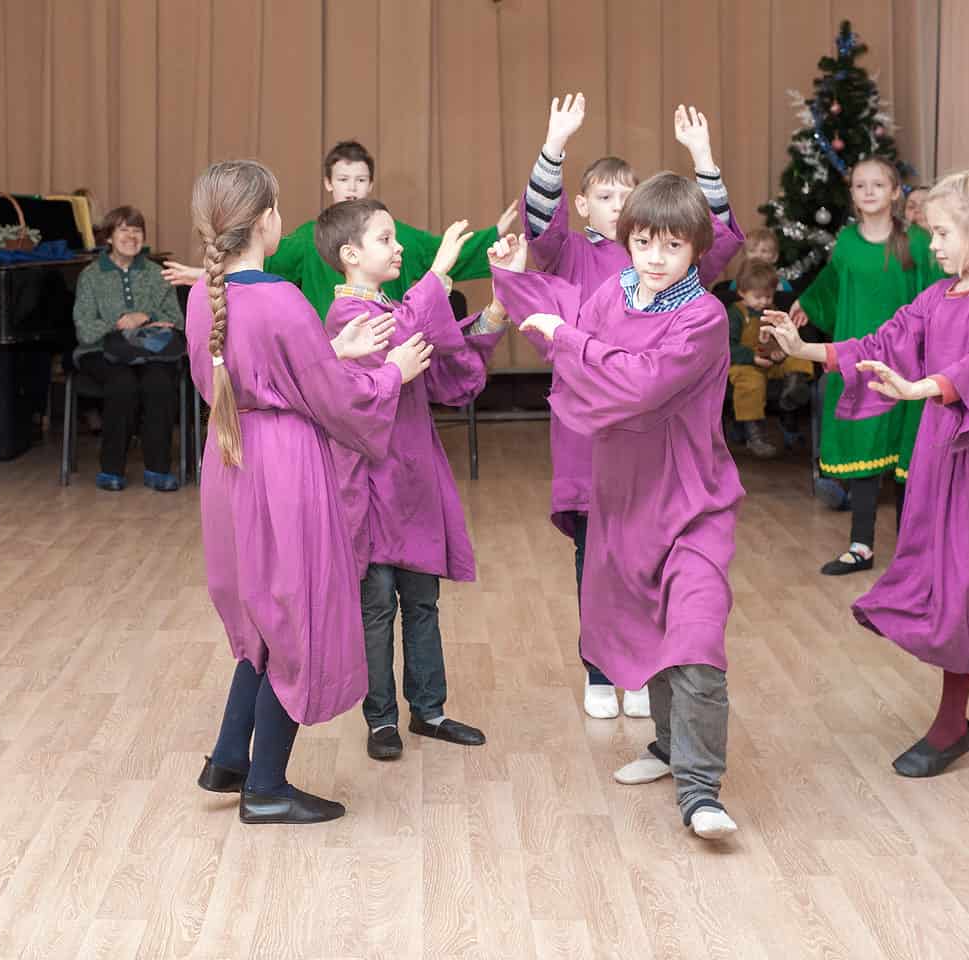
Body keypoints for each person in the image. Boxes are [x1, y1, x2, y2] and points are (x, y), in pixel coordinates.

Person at [765, 169, 969, 778]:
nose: (934, 245)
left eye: (943, 233)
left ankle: (951, 726)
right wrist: (806, 350)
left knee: (963, 584)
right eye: (931, 233)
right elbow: (887, 339)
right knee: (948, 574)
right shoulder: (940, 295)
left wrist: (924, 386)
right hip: (943, 441)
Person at [493, 171, 745, 840]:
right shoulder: (613, 291)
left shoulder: (703, 316)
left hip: (692, 502)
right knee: (642, 629)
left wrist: (569, 341)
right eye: (641, 242)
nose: (654, 258)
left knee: (694, 640)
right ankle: (666, 748)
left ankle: (699, 791)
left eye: (670, 245)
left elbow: (638, 382)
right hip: (625, 500)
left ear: (696, 247)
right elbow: (563, 315)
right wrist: (513, 277)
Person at [186, 159, 431, 824]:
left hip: (230, 460)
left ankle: (230, 758)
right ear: (268, 219)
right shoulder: (282, 300)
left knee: (262, 615)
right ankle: (265, 789)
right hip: (285, 469)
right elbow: (329, 402)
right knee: (294, 619)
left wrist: (336, 353)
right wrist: (391, 375)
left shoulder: (204, 297)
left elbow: (256, 376)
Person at [520, 93, 744, 719]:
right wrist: (554, 146)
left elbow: (717, 241)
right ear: (588, 206)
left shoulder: (672, 272)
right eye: (609, 197)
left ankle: (642, 672)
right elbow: (540, 224)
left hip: (659, 450)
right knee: (597, 554)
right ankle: (600, 669)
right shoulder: (574, 255)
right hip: (590, 439)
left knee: (652, 562)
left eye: (630, 193)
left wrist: (702, 158)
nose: (623, 208)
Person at [317, 199, 508, 761]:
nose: (398, 247)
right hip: (371, 486)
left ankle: (429, 709)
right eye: (385, 239)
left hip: (413, 482)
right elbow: (397, 335)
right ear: (351, 255)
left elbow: (445, 372)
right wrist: (440, 273)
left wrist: (493, 316)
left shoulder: (393, 307)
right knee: (377, 606)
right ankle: (380, 719)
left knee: (422, 601)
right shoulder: (344, 319)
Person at [162, 140, 517, 322]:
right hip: (329, 352)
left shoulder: (397, 235)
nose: (352, 188)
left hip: (386, 343)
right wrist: (204, 273)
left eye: (360, 180)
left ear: (371, 184)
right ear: (328, 183)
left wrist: (494, 234)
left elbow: (444, 252)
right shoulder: (307, 237)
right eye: (343, 179)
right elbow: (254, 267)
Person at [790, 157, 943, 575]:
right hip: (860, 362)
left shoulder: (915, 243)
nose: (869, 191)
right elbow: (832, 285)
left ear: (896, 193)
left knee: (906, 454)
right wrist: (808, 302)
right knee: (865, 449)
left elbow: (935, 298)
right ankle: (861, 546)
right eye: (860, 186)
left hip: (907, 364)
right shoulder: (846, 243)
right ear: (853, 194)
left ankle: (914, 556)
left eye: (878, 185)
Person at [72, 205, 185, 491]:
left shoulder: (157, 273)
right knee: (122, 385)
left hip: (151, 350)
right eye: (124, 230)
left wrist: (144, 316)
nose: (132, 237)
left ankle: (158, 470)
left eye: (137, 231)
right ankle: (111, 469)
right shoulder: (91, 275)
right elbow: (85, 330)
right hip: (100, 351)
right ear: (109, 237)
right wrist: (119, 322)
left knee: (159, 383)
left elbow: (176, 319)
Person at [726, 260, 812, 458]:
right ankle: (754, 435)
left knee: (797, 357)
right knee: (751, 383)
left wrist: (780, 351)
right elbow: (726, 348)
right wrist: (753, 357)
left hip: (769, 360)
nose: (764, 302)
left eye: (768, 296)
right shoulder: (735, 314)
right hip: (744, 363)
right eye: (757, 297)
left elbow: (779, 337)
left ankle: (792, 390)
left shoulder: (773, 311)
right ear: (742, 292)